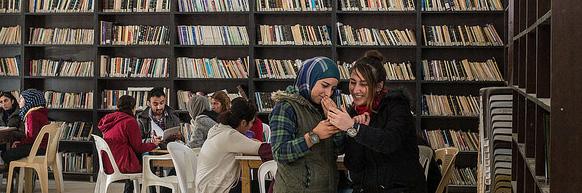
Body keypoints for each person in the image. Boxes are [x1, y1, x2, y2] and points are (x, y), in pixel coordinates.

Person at [324, 50, 427, 193]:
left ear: (379, 86)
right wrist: (353, 132)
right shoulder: (353, 112)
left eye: (364, 84)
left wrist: (354, 127)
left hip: (401, 188)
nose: (356, 90)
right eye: (353, 82)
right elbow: (353, 165)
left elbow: (389, 142)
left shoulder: (397, 105)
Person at [269, 56, 344, 192]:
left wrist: (336, 123)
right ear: (309, 79)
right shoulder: (286, 107)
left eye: (333, 89)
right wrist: (313, 136)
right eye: (325, 85)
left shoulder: (326, 107)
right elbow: (280, 153)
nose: (328, 93)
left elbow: (339, 149)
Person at [196, 97, 272, 193]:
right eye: (251, 122)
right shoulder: (230, 135)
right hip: (217, 189)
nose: (252, 126)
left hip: (207, 186)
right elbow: (263, 149)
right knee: (269, 186)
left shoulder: (218, 129)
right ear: (243, 122)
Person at [97, 95, 161, 193]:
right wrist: (154, 144)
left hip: (108, 163)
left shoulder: (109, 120)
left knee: (139, 157)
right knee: (147, 160)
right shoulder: (130, 121)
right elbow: (138, 147)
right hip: (123, 164)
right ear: (132, 107)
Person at [1, 89, 49, 167]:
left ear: (29, 100)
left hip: (38, 148)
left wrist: (19, 144)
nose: (19, 101)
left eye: (22, 98)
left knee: (6, 154)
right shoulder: (40, 112)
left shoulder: (32, 114)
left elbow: (32, 138)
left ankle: (14, 175)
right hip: (43, 147)